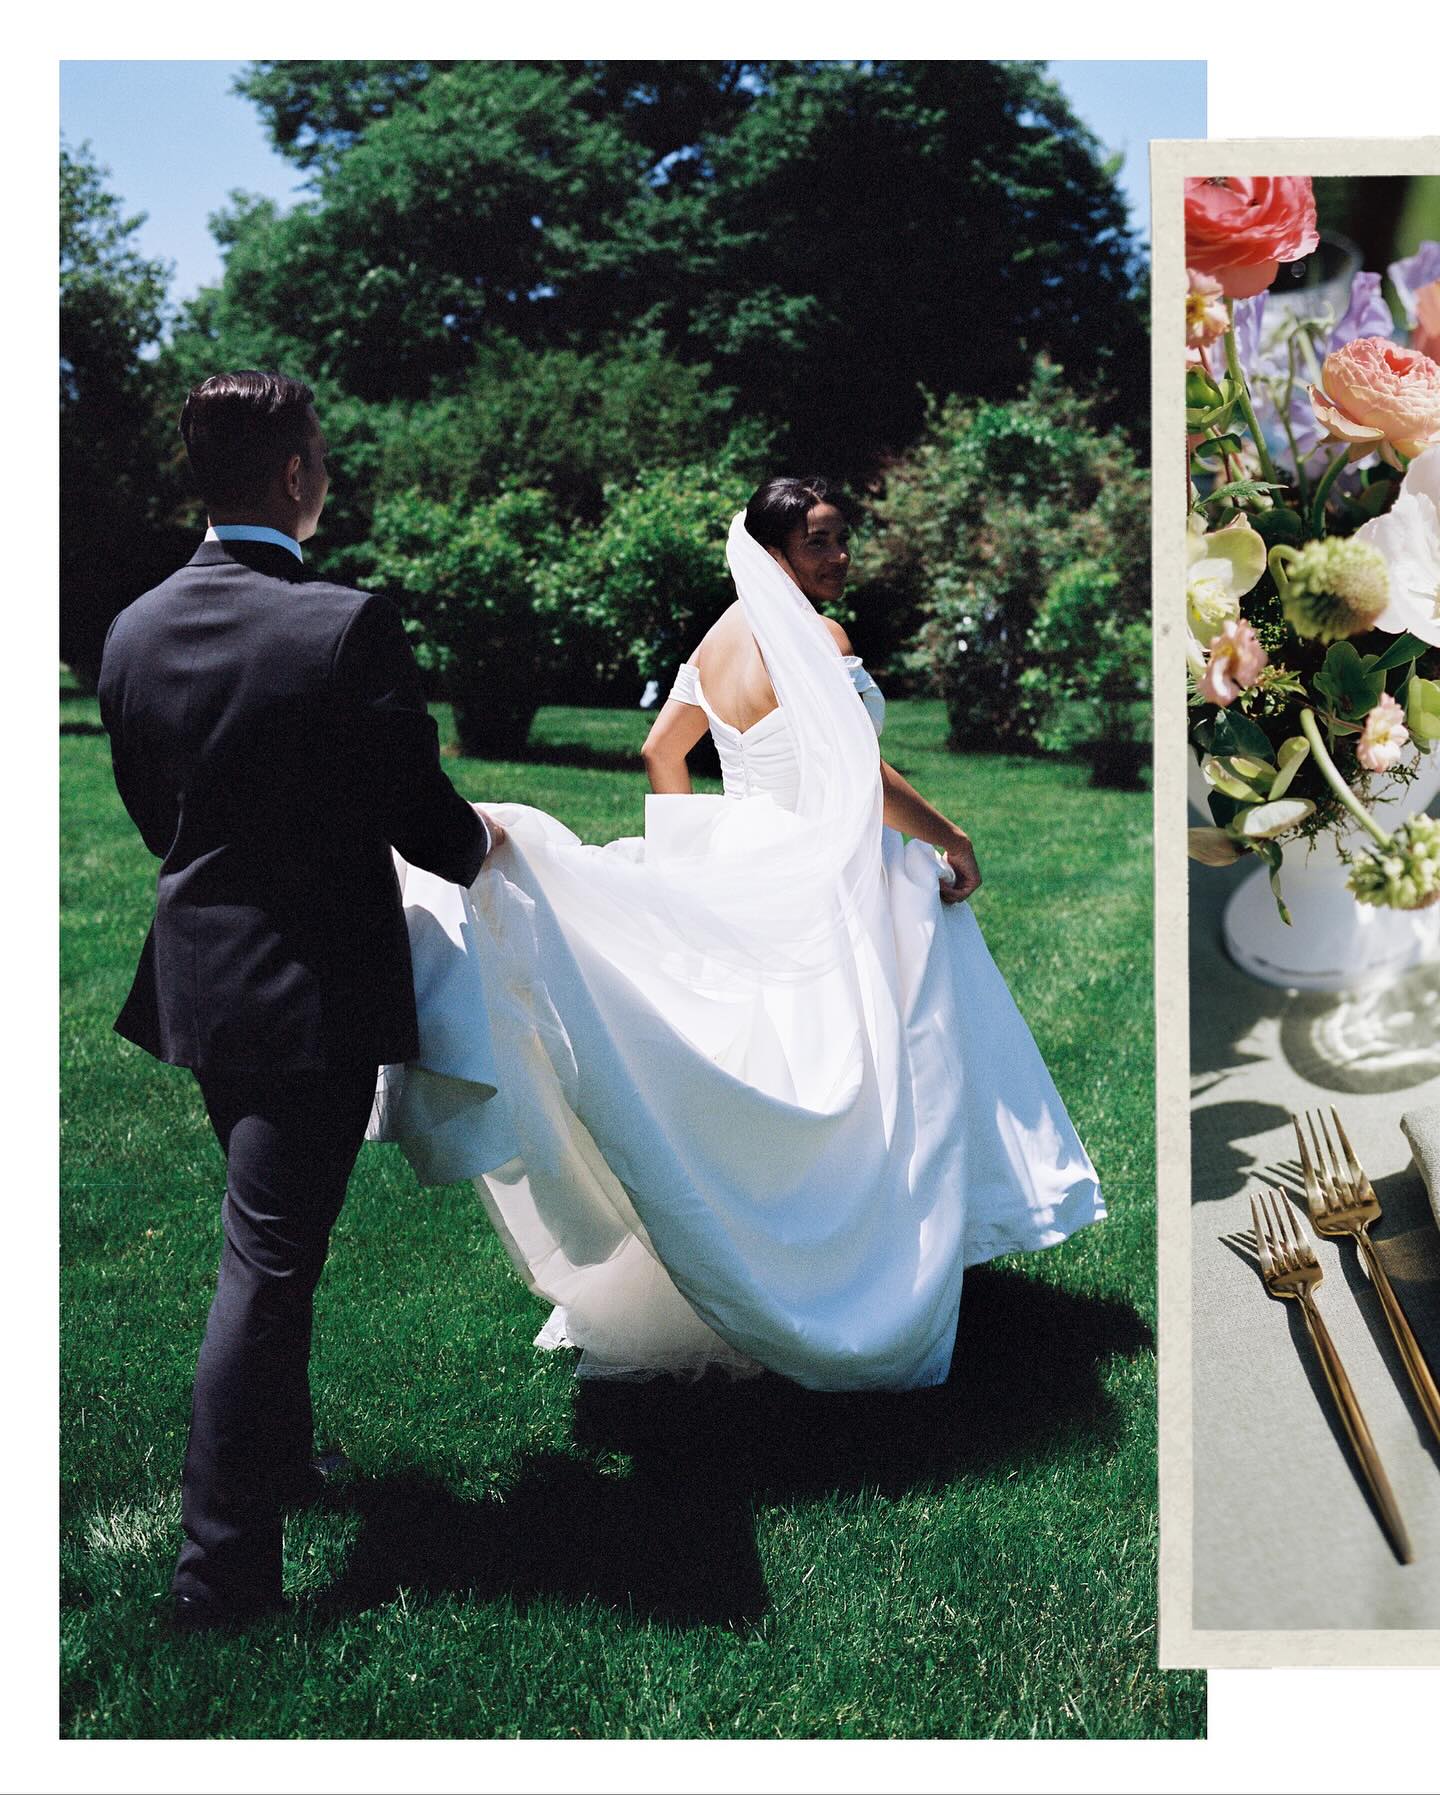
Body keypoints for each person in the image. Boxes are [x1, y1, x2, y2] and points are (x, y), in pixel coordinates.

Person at [374, 476, 1103, 1389]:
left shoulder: (715, 642)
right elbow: (862, 777)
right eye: (821, 544)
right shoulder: (817, 638)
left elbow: (661, 750)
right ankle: (872, 1256)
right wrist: (950, 837)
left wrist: (699, 852)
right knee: (880, 1069)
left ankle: (762, 1245)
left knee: (786, 1063)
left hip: (752, 858)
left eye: (843, 539)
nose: (841, 558)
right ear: (774, 553)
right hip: (837, 868)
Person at [97, 370, 503, 1632]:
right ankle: (219, 1574)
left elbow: (153, 810)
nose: (325, 472)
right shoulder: (343, 624)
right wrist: (491, 843)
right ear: (293, 476)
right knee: (267, 1261)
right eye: (321, 455)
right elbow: (422, 821)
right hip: (311, 994)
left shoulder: (131, 628)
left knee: (274, 1241)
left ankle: (277, 1465)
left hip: (204, 986)